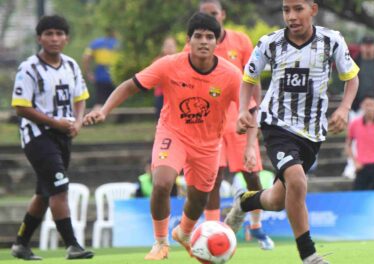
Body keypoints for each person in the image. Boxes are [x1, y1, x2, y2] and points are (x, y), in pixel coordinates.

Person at [83, 13, 242, 261]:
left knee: (199, 198)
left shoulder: (230, 74)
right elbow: (129, 85)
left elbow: (250, 105)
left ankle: (185, 233)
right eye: (197, 36)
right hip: (173, 133)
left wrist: (248, 120)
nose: (203, 41)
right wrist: (103, 110)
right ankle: (160, 242)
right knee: (162, 182)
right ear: (188, 40)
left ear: (216, 42)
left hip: (209, 144)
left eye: (209, 37)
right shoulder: (169, 64)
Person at [225, 1, 360, 263]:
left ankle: (244, 202)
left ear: (313, 9)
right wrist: (243, 110)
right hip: (277, 124)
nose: (291, 16)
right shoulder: (269, 43)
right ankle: (308, 254)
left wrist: (344, 109)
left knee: (277, 200)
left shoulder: (331, 41)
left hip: (312, 132)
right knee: (297, 180)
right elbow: (248, 79)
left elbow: (351, 78)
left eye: (298, 9)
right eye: (286, 10)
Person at [192, 0, 274, 250]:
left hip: (240, 115)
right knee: (212, 178)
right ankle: (212, 231)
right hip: (210, 120)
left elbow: (253, 76)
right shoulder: (196, 44)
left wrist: (256, 108)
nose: (210, 19)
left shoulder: (241, 41)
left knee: (251, 173)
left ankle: (257, 225)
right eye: (205, 15)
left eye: (214, 14)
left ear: (223, 15)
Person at [10, 15, 93, 260]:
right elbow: (21, 106)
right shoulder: (29, 68)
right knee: (59, 188)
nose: (54, 38)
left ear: (66, 38)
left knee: (45, 193)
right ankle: (73, 245)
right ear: (39, 38)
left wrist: (77, 122)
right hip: (37, 135)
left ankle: (21, 244)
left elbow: (80, 98)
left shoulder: (71, 65)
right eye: (49, 34)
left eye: (59, 33)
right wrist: (53, 122)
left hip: (63, 135)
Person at [342, 35, 374, 179]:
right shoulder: (353, 62)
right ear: (361, 46)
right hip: (357, 106)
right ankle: (352, 166)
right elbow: (347, 81)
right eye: (365, 45)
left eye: (371, 45)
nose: (368, 48)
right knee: (353, 138)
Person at [82, 27, 119, 110]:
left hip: (100, 74)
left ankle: (96, 118)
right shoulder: (118, 44)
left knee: (100, 100)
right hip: (115, 75)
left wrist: (88, 73)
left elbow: (86, 57)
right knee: (115, 99)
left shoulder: (96, 43)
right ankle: (109, 119)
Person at [154, 36, 178, 121]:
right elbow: (155, 81)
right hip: (161, 95)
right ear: (163, 48)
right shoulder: (158, 61)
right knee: (160, 119)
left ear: (176, 48)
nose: (169, 48)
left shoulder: (180, 62)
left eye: (171, 46)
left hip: (176, 96)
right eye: (167, 46)